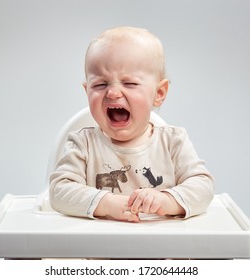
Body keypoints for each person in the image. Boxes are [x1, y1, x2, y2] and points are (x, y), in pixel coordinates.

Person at [49, 26, 214, 222]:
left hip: (161, 248)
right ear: (87, 92)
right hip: (98, 249)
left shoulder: (173, 142)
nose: (112, 93)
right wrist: (107, 204)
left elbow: (203, 187)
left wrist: (168, 200)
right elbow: (59, 191)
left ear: (159, 93)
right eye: (100, 84)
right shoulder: (82, 144)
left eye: (130, 84)